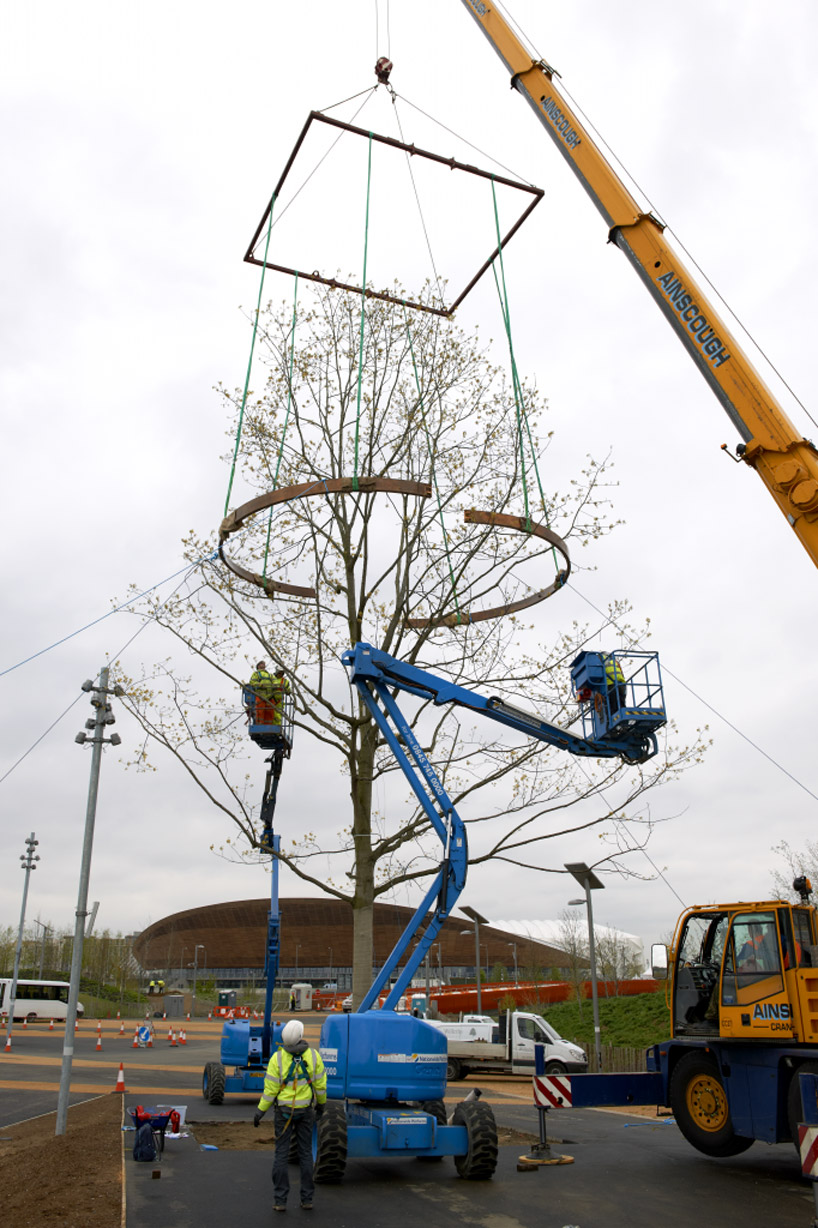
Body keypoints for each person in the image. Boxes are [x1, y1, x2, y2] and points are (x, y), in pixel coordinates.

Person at [254, 1018, 327, 1212]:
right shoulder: (314, 1057)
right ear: (301, 1036)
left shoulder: (277, 1059)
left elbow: (270, 1090)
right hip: (305, 1112)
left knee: (281, 1154)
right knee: (305, 1154)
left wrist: (260, 1111)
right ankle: (307, 1199)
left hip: (283, 1113)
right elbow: (320, 1086)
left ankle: (280, 1200)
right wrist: (321, 1105)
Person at [246, 660, 291, 726]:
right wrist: (260, 685)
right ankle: (259, 725)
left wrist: (276, 685)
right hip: (260, 696)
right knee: (260, 711)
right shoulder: (256, 674)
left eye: (264, 663)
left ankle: (269, 726)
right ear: (258, 666)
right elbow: (252, 683)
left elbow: (275, 681)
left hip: (269, 697)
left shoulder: (269, 675)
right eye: (261, 663)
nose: (263, 664)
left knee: (270, 712)